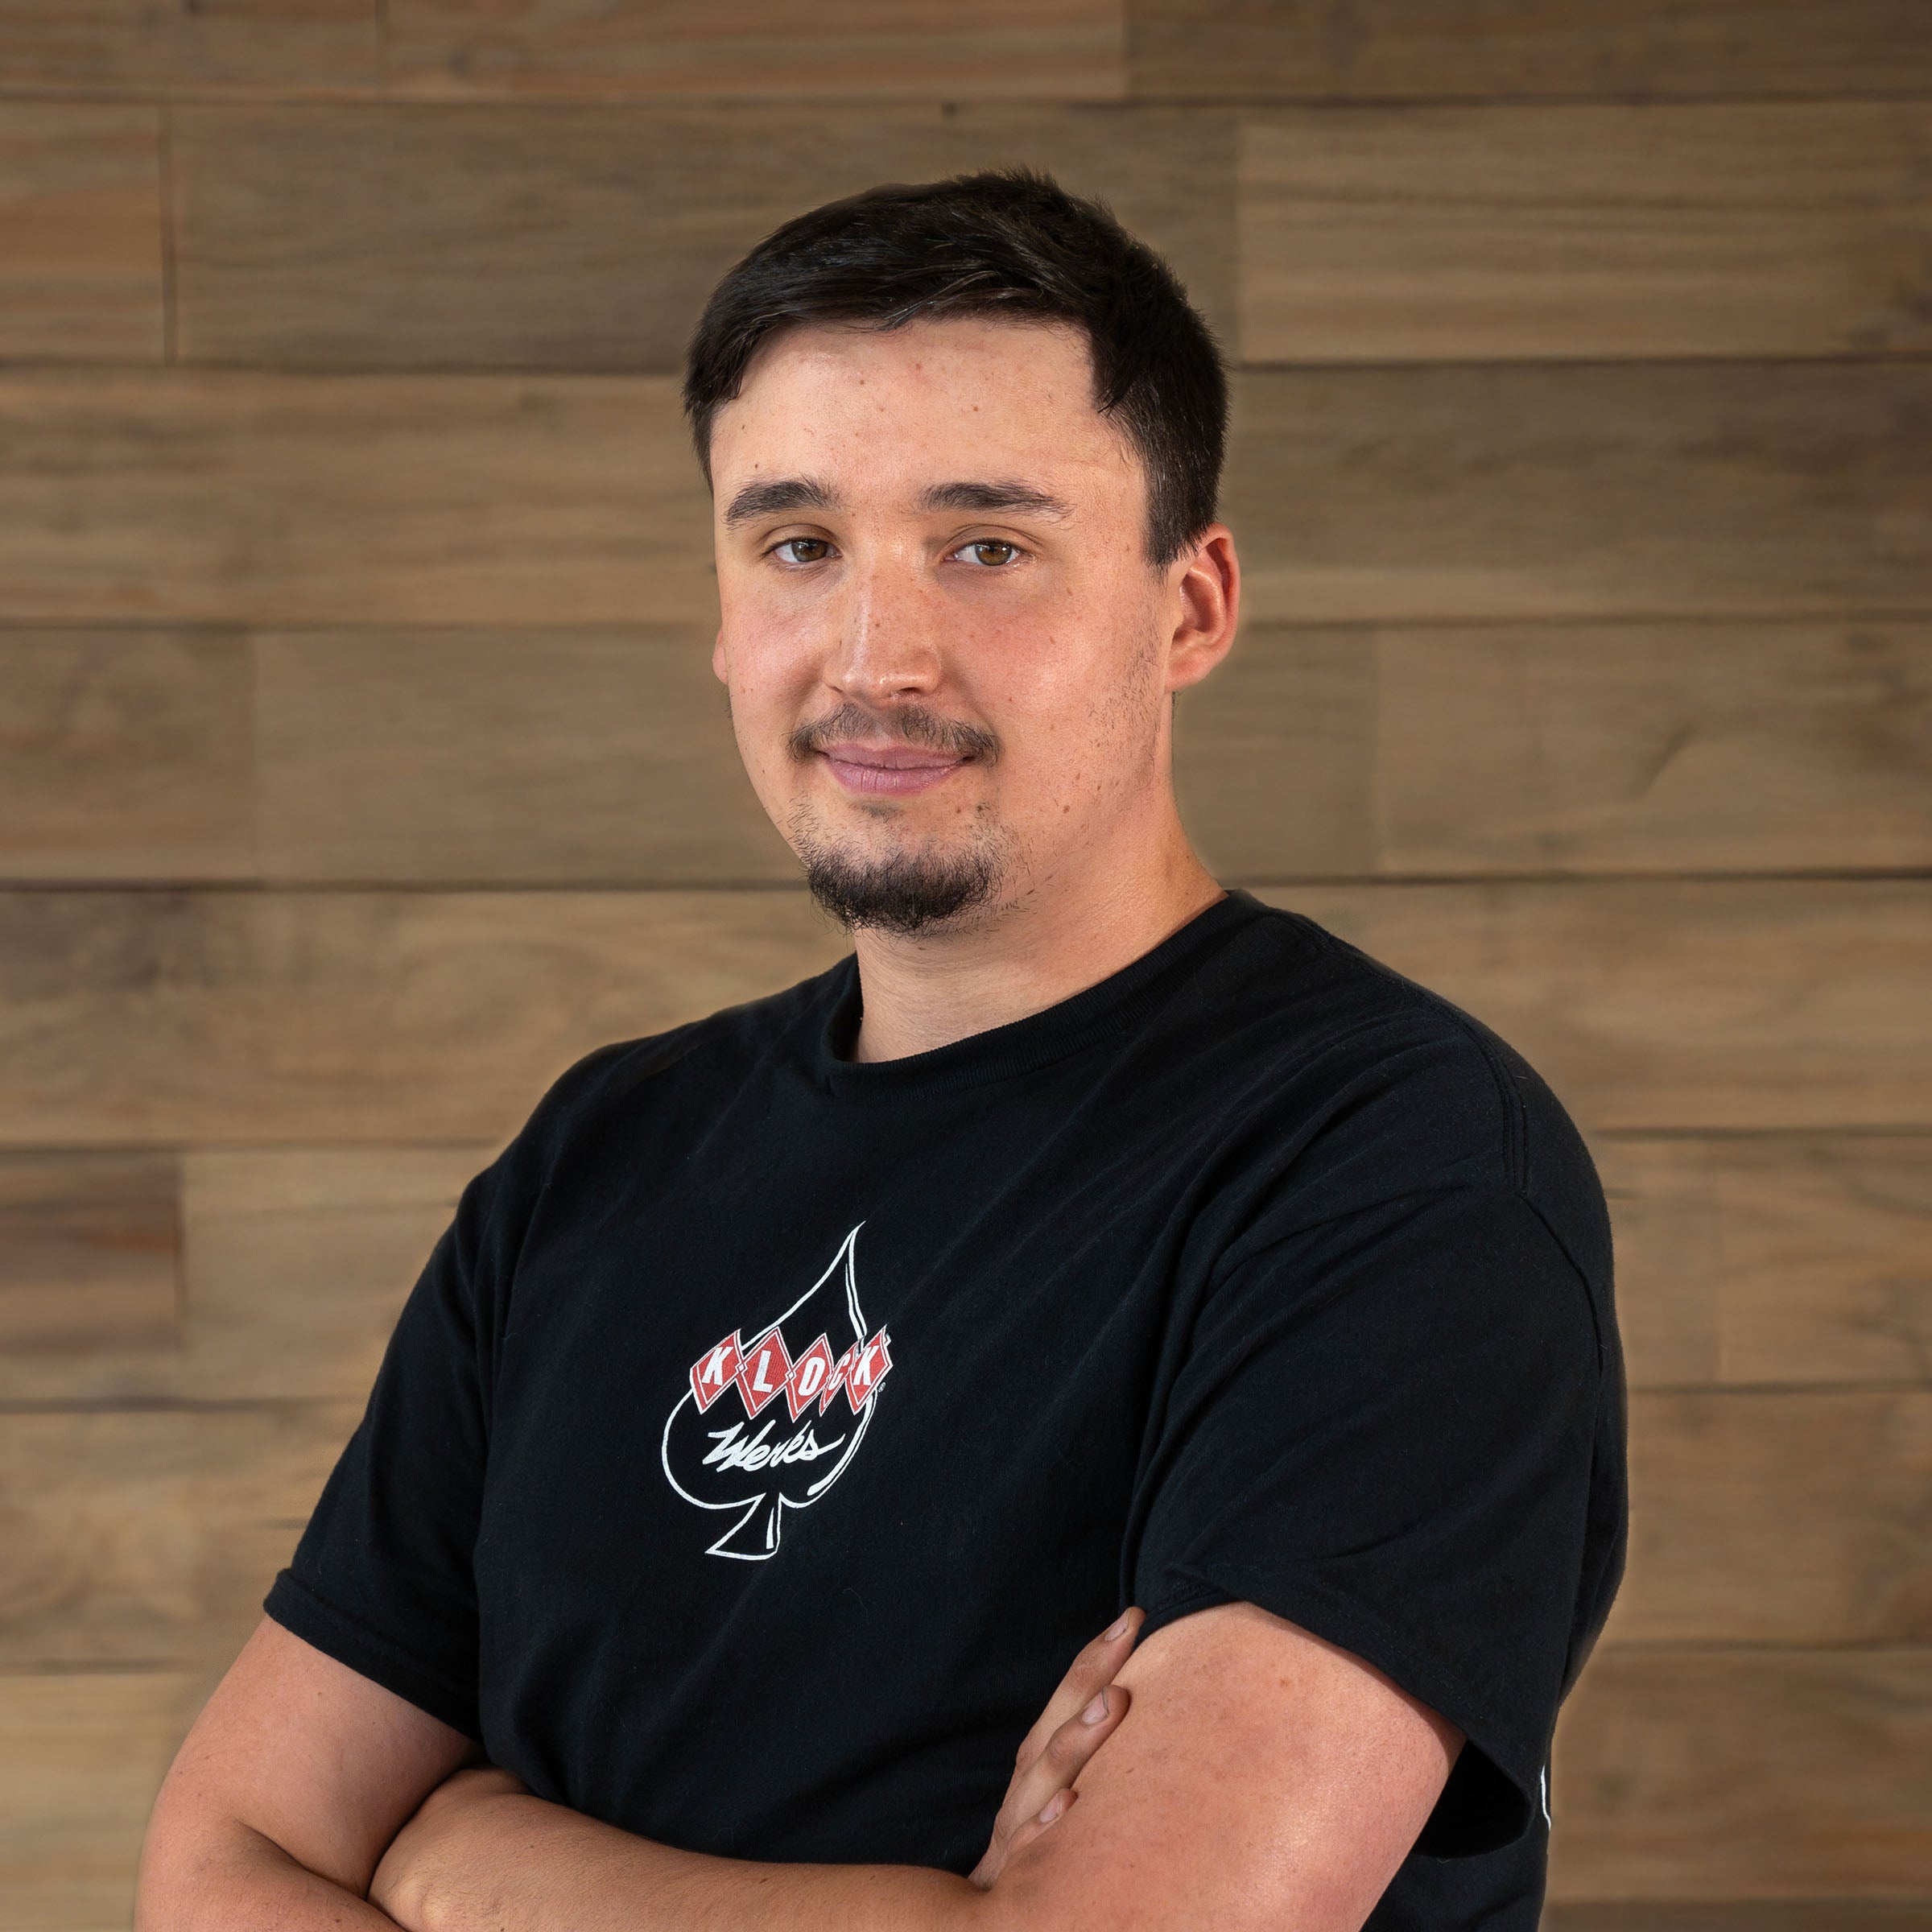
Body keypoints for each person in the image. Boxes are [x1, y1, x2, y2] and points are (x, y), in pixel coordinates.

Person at [134, 168, 1625, 1932]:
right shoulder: (600, 1154)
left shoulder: (1397, 1168)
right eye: (799, 546)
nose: (874, 657)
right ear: (722, 608)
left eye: (987, 546)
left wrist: (467, 1865)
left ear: (1191, 607)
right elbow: (221, 1868)